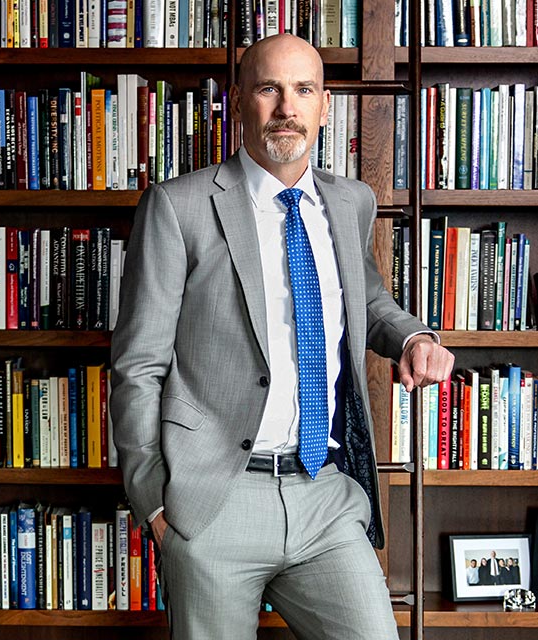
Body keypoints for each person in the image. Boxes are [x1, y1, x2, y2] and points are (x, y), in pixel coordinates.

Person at [111, 34, 455, 640]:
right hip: (215, 499)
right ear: (240, 100)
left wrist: (409, 339)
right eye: (270, 88)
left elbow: (366, 298)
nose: (286, 107)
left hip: (324, 492)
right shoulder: (179, 206)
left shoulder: (351, 201)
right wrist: (156, 506)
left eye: (304, 90)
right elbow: (139, 365)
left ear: (325, 105)